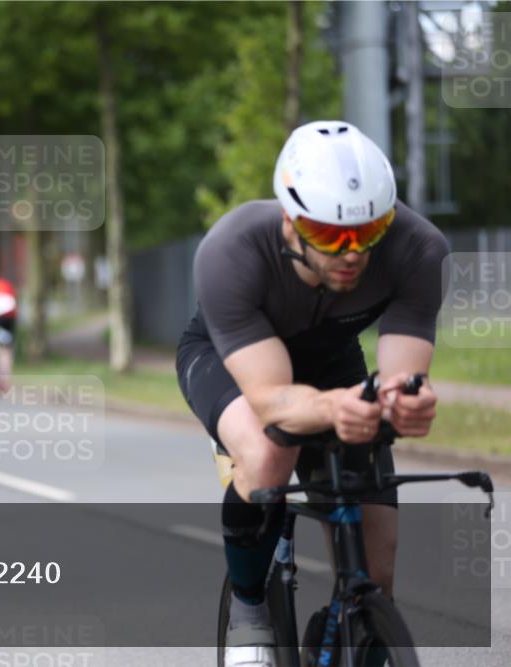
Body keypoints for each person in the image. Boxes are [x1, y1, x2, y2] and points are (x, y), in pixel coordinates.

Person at [175, 121, 447, 667]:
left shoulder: (420, 250)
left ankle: (356, 627)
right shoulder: (231, 250)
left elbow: (399, 378)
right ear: (290, 221)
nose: (351, 253)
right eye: (329, 237)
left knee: (378, 568)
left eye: (368, 233)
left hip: (331, 361)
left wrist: (404, 402)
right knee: (271, 452)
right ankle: (250, 609)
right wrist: (330, 407)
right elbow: (272, 398)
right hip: (233, 362)